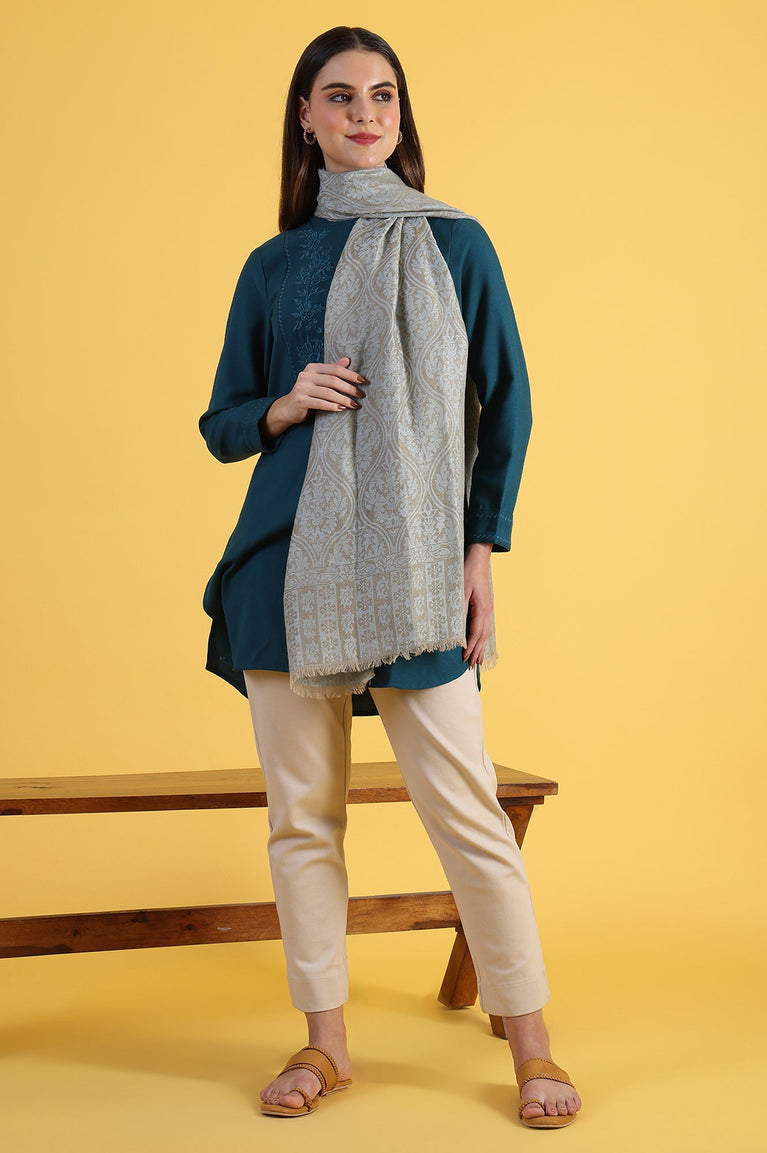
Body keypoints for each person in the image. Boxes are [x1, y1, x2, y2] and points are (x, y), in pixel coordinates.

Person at [199, 25, 581, 1129]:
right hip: (284, 570)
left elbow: (505, 403)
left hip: (415, 571)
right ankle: (324, 1042)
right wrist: (285, 401)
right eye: (339, 95)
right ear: (305, 118)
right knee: (301, 820)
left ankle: (532, 1045)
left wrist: (479, 550)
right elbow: (222, 423)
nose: (363, 113)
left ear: (400, 117)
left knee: (465, 812)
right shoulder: (272, 266)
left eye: (381, 95)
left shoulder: (455, 244)